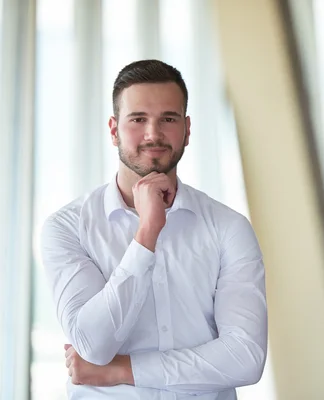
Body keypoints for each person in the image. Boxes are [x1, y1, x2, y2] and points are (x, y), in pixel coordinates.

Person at [40, 59, 268, 400]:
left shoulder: (229, 227)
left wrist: (122, 370)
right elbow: (92, 345)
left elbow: (245, 358)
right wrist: (147, 233)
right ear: (114, 129)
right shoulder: (67, 228)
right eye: (138, 119)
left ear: (187, 130)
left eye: (168, 119)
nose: (153, 134)